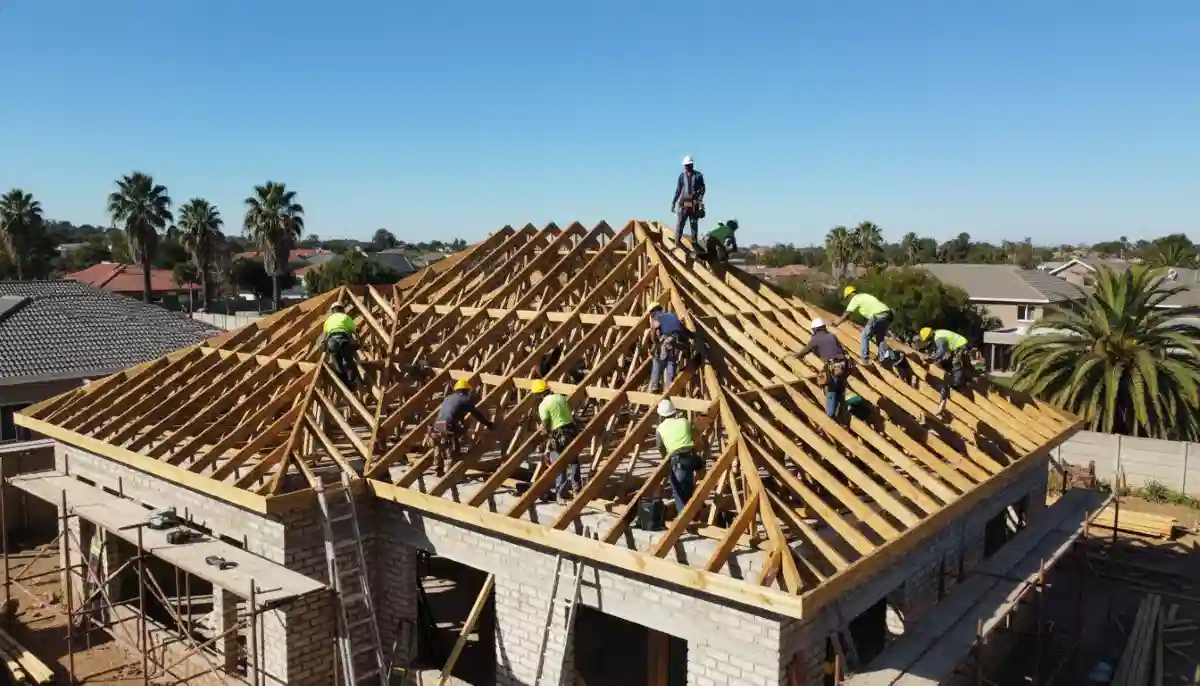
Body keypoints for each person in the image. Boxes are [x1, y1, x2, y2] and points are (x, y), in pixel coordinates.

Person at [788, 318, 850, 418]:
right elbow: (839, 350)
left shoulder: (816, 339)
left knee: (831, 390)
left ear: (815, 330)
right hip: (843, 366)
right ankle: (842, 413)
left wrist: (796, 355)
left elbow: (804, 351)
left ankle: (830, 415)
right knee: (840, 389)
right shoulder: (832, 336)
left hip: (833, 367)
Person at [431, 379, 495, 475]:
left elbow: (453, 412)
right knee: (453, 449)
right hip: (449, 426)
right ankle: (449, 473)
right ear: (466, 390)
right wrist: (488, 424)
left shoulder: (448, 398)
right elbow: (477, 414)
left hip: (437, 425)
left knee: (439, 445)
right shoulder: (466, 399)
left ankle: (437, 466)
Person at [533, 380, 581, 500]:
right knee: (573, 461)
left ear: (538, 394)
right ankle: (576, 489)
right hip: (571, 430)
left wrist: (542, 430)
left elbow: (546, 423)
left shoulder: (543, 405)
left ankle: (561, 493)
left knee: (559, 464)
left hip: (558, 435)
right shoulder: (560, 397)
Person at [655, 399, 704, 514]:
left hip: (678, 462)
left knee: (678, 493)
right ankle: (694, 512)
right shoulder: (684, 421)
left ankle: (683, 519)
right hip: (692, 459)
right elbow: (696, 437)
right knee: (689, 487)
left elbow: (661, 448)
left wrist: (666, 458)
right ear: (674, 412)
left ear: (661, 416)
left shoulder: (660, 429)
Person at [833, 286, 894, 365]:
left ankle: (864, 359)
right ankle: (884, 358)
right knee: (880, 337)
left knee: (864, 336)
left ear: (850, 295)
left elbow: (847, 313)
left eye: (847, 298)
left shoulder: (855, 298)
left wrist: (836, 323)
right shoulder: (863, 296)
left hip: (878, 315)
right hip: (887, 315)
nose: (848, 300)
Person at [919, 327, 970, 415]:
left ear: (930, 335)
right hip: (959, 347)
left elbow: (942, 350)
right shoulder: (938, 334)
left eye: (928, 339)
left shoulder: (939, 338)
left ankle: (957, 383)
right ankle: (961, 379)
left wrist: (933, 359)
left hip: (960, 347)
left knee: (956, 364)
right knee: (951, 364)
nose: (929, 341)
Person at [647, 305, 692, 392]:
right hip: (667, 348)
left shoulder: (658, 319)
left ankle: (658, 387)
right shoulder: (666, 317)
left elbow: (654, 336)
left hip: (666, 348)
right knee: (668, 367)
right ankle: (667, 388)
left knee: (661, 368)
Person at [670, 156, 706, 250]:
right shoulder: (682, 176)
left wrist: (700, 201)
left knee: (694, 225)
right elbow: (678, 190)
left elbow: (702, 189)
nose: (686, 167)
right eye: (685, 165)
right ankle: (677, 242)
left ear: (692, 165)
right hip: (683, 204)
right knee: (680, 224)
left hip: (694, 204)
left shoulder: (698, 176)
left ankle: (694, 243)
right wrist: (673, 203)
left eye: (688, 165)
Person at [322, 304, 359, 388]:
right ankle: (351, 382)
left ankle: (344, 384)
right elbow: (355, 331)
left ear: (332, 311)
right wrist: (358, 342)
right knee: (349, 362)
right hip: (343, 339)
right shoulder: (346, 317)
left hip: (332, 341)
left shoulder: (328, 320)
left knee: (337, 364)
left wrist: (325, 347)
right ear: (342, 310)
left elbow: (325, 336)